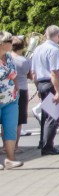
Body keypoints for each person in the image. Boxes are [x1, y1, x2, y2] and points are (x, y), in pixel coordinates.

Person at [32, 25, 59, 155]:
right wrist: (57, 92)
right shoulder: (54, 50)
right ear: (57, 36)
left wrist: (38, 88)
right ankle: (47, 146)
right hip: (50, 83)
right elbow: (54, 73)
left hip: (41, 83)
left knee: (47, 116)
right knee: (53, 117)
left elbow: (33, 73)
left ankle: (44, 142)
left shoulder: (38, 49)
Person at [1, 32, 23, 169]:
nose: (12, 43)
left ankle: (10, 159)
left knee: (10, 129)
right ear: (2, 44)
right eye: (10, 41)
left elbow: (14, 75)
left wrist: (17, 89)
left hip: (11, 99)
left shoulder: (9, 57)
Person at [11, 36, 32, 150]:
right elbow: (30, 75)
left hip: (9, 91)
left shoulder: (6, 59)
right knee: (18, 121)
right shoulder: (24, 60)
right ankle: (15, 146)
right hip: (22, 89)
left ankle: (6, 146)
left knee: (7, 120)